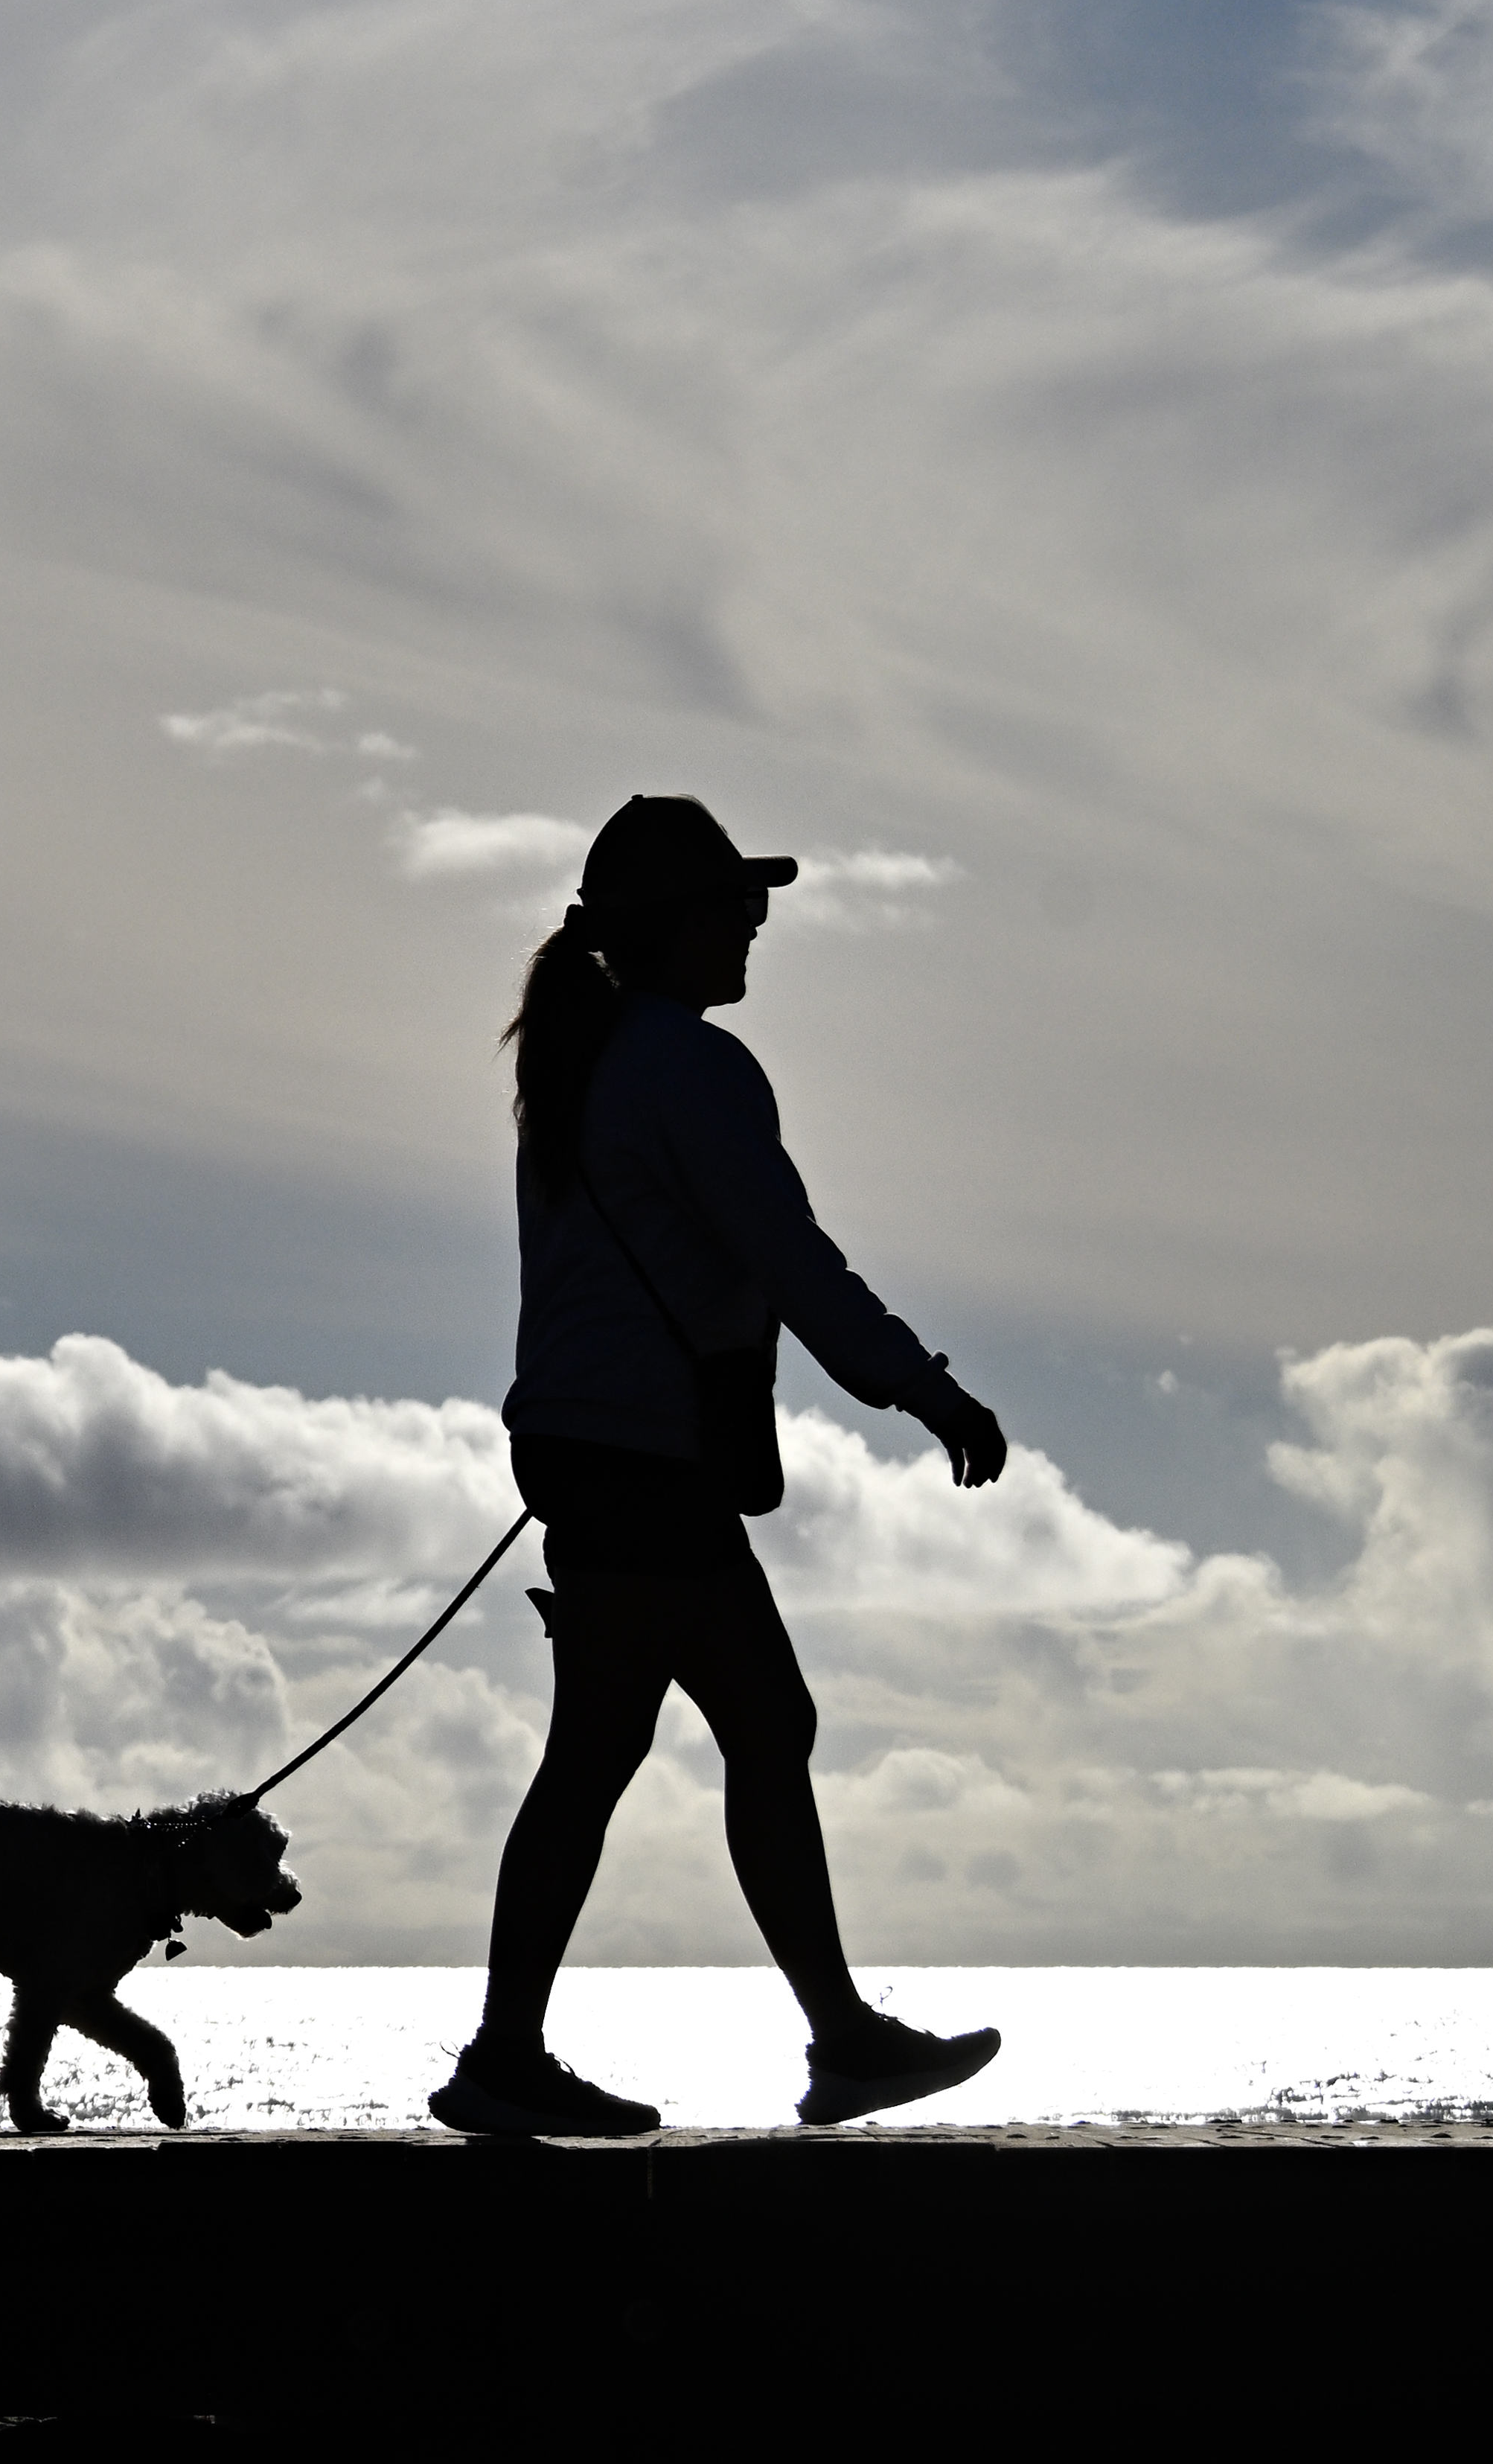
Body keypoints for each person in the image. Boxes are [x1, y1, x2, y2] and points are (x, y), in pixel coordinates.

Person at [429, 794, 1011, 2139]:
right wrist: (924, 1387)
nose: (755, 921)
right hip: (639, 1461)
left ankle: (535, 2050)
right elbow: (790, 1257)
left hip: (586, 1452)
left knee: (650, 1739)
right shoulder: (690, 1067)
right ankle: (829, 2041)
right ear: (671, 925)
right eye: (732, 903)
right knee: (734, 1726)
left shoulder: (579, 1067)